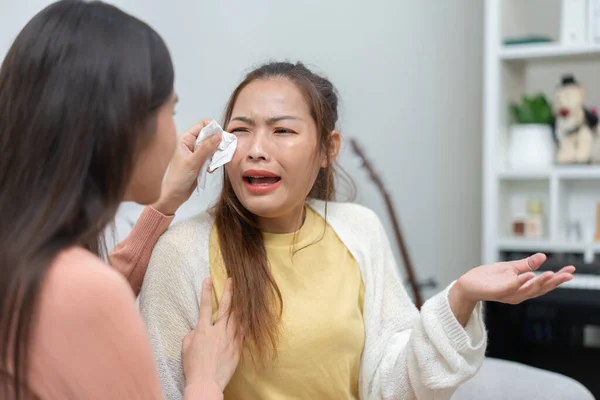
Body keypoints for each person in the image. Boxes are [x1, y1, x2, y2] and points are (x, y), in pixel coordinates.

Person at [137, 61, 575, 400]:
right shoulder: (184, 252)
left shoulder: (358, 230)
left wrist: (460, 297)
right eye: (241, 131)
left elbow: (396, 385)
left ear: (328, 149)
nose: (256, 150)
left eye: (282, 130)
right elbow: (154, 388)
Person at [0, 1, 240, 399]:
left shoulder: (25, 259)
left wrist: (164, 203)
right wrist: (204, 383)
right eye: (171, 110)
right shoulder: (82, 291)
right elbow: (83, 296)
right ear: (125, 123)